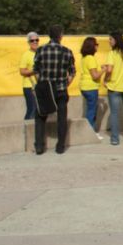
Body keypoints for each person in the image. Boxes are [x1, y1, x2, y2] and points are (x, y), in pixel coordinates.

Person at [32, 25, 75, 154]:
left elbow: (36, 69)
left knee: (40, 116)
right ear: (60, 36)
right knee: (62, 117)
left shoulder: (41, 50)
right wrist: (66, 83)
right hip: (61, 89)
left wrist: (41, 82)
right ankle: (60, 146)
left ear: (49, 35)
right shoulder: (67, 51)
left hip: (45, 89)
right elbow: (72, 72)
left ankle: (39, 146)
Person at [104, 32, 123, 146]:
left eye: (110, 39)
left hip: (114, 87)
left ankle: (115, 139)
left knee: (114, 114)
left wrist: (105, 80)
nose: (109, 41)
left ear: (116, 40)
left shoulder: (112, 53)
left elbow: (109, 70)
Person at [79, 37, 104, 136]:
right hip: (91, 87)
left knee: (90, 109)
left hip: (84, 86)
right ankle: (90, 133)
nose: (97, 47)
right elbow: (95, 76)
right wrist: (103, 70)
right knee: (92, 111)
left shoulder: (84, 58)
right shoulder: (91, 58)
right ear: (92, 46)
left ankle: (91, 131)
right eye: (96, 45)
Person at [19, 31, 39, 120]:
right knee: (32, 109)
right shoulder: (26, 55)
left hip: (39, 86)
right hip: (29, 86)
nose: (35, 42)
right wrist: (34, 70)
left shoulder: (40, 53)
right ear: (29, 42)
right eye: (32, 40)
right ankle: (25, 130)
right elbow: (22, 71)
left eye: (36, 40)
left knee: (38, 110)